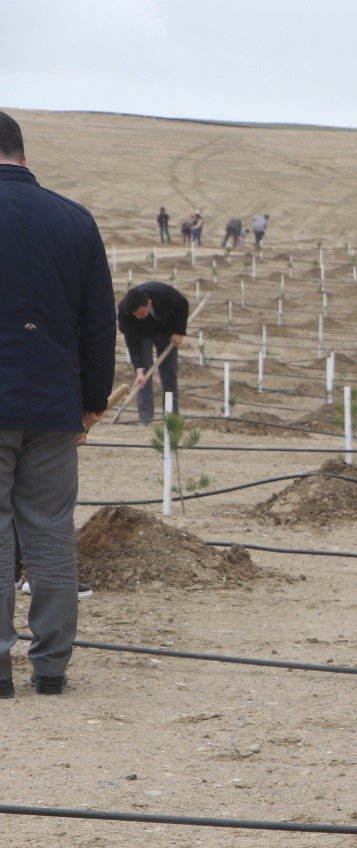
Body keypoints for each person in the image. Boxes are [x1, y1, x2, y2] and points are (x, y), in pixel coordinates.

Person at [0, 110, 116, 696]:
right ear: (21, 152)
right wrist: (92, 400)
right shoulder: (75, 219)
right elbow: (100, 319)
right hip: (52, 402)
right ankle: (51, 669)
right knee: (49, 530)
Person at [117, 281, 189, 424]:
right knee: (144, 376)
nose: (138, 317)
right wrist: (139, 369)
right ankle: (145, 417)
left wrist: (179, 331)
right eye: (135, 315)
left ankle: (171, 415)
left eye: (141, 313)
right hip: (142, 335)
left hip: (166, 329)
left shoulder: (164, 294)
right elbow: (132, 342)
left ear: (149, 304)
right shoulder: (125, 311)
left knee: (169, 373)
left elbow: (183, 305)